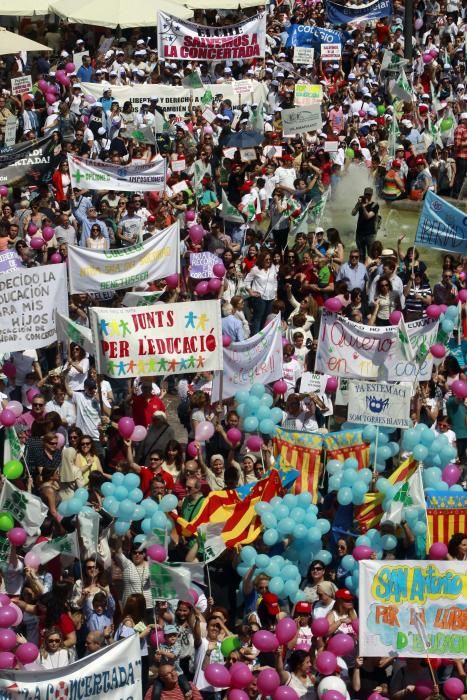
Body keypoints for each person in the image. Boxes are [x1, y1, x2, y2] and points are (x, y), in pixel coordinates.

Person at [351, 188, 380, 260]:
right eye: (366, 194)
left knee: (371, 254)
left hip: (370, 234)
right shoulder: (360, 204)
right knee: (361, 255)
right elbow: (353, 213)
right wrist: (358, 204)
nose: (367, 196)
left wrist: (364, 207)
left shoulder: (375, 205)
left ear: (371, 195)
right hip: (360, 233)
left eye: (369, 195)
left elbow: (368, 216)